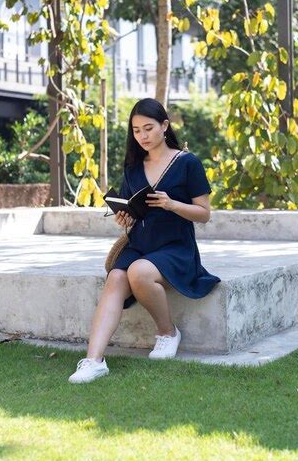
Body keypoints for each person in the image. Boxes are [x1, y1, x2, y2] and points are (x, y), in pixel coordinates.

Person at [68, 98, 221, 384]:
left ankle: (168, 333)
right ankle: (93, 360)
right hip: (140, 243)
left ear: (165, 126)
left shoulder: (188, 163)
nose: (143, 136)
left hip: (176, 246)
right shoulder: (133, 168)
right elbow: (133, 209)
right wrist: (126, 218)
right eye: (137, 131)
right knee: (116, 277)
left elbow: (204, 214)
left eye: (149, 128)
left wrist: (172, 204)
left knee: (138, 272)